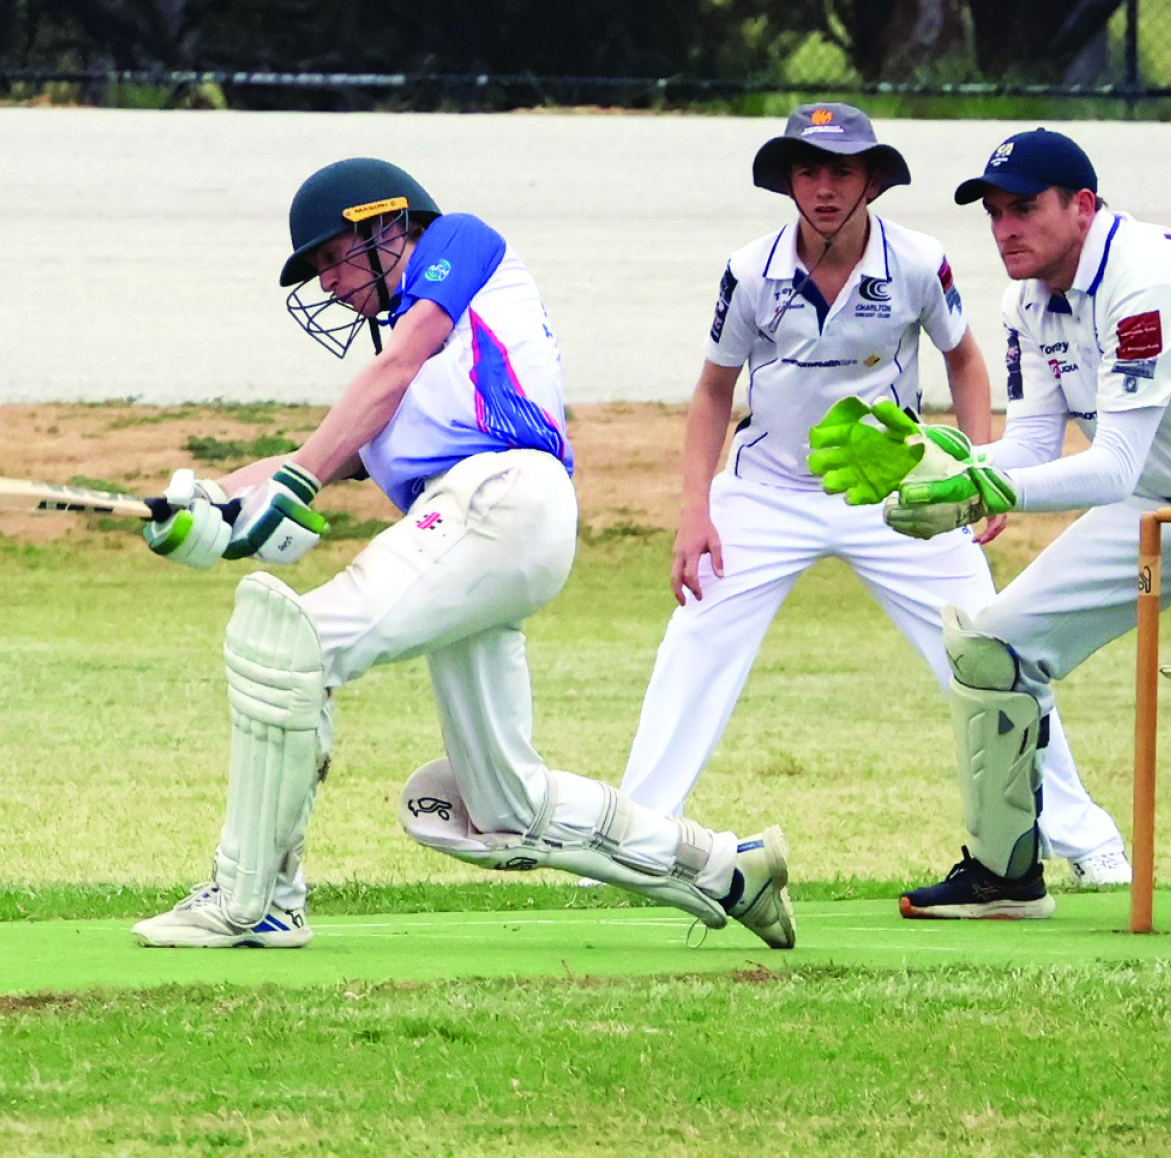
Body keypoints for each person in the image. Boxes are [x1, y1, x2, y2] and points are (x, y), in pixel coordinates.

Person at [130, 157, 795, 950]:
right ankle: (727, 869)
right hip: (482, 534)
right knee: (504, 809)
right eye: (315, 273)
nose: (329, 285)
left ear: (387, 225)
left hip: (500, 498)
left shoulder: (459, 245)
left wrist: (300, 478)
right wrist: (202, 500)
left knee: (291, 646)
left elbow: (386, 374)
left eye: (332, 258)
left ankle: (256, 899)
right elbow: (303, 458)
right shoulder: (404, 388)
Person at [808, 128, 1171, 929]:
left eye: (1023, 208)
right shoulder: (1025, 301)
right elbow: (1029, 450)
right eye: (993, 213)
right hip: (1159, 492)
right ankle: (1003, 877)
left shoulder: (1148, 279)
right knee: (991, 649)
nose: (1004, 229)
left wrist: (983, 486)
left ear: (1081, 207)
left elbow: (1110, 464)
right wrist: (935, 461)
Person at [615, 103, 1130, 888]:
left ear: (871, 181)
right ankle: (638, 840)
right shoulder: (749, 269)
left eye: (842, 172)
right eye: (808, 171)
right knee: (691, 646)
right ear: (788, 180)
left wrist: (977, 474)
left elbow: (964, 361)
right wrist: (696, 512)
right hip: (764, 493)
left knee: (987, 649)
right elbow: (713, 391)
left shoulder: (919, 261)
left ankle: (1082, 837)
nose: (824, 189)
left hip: (894, 495)